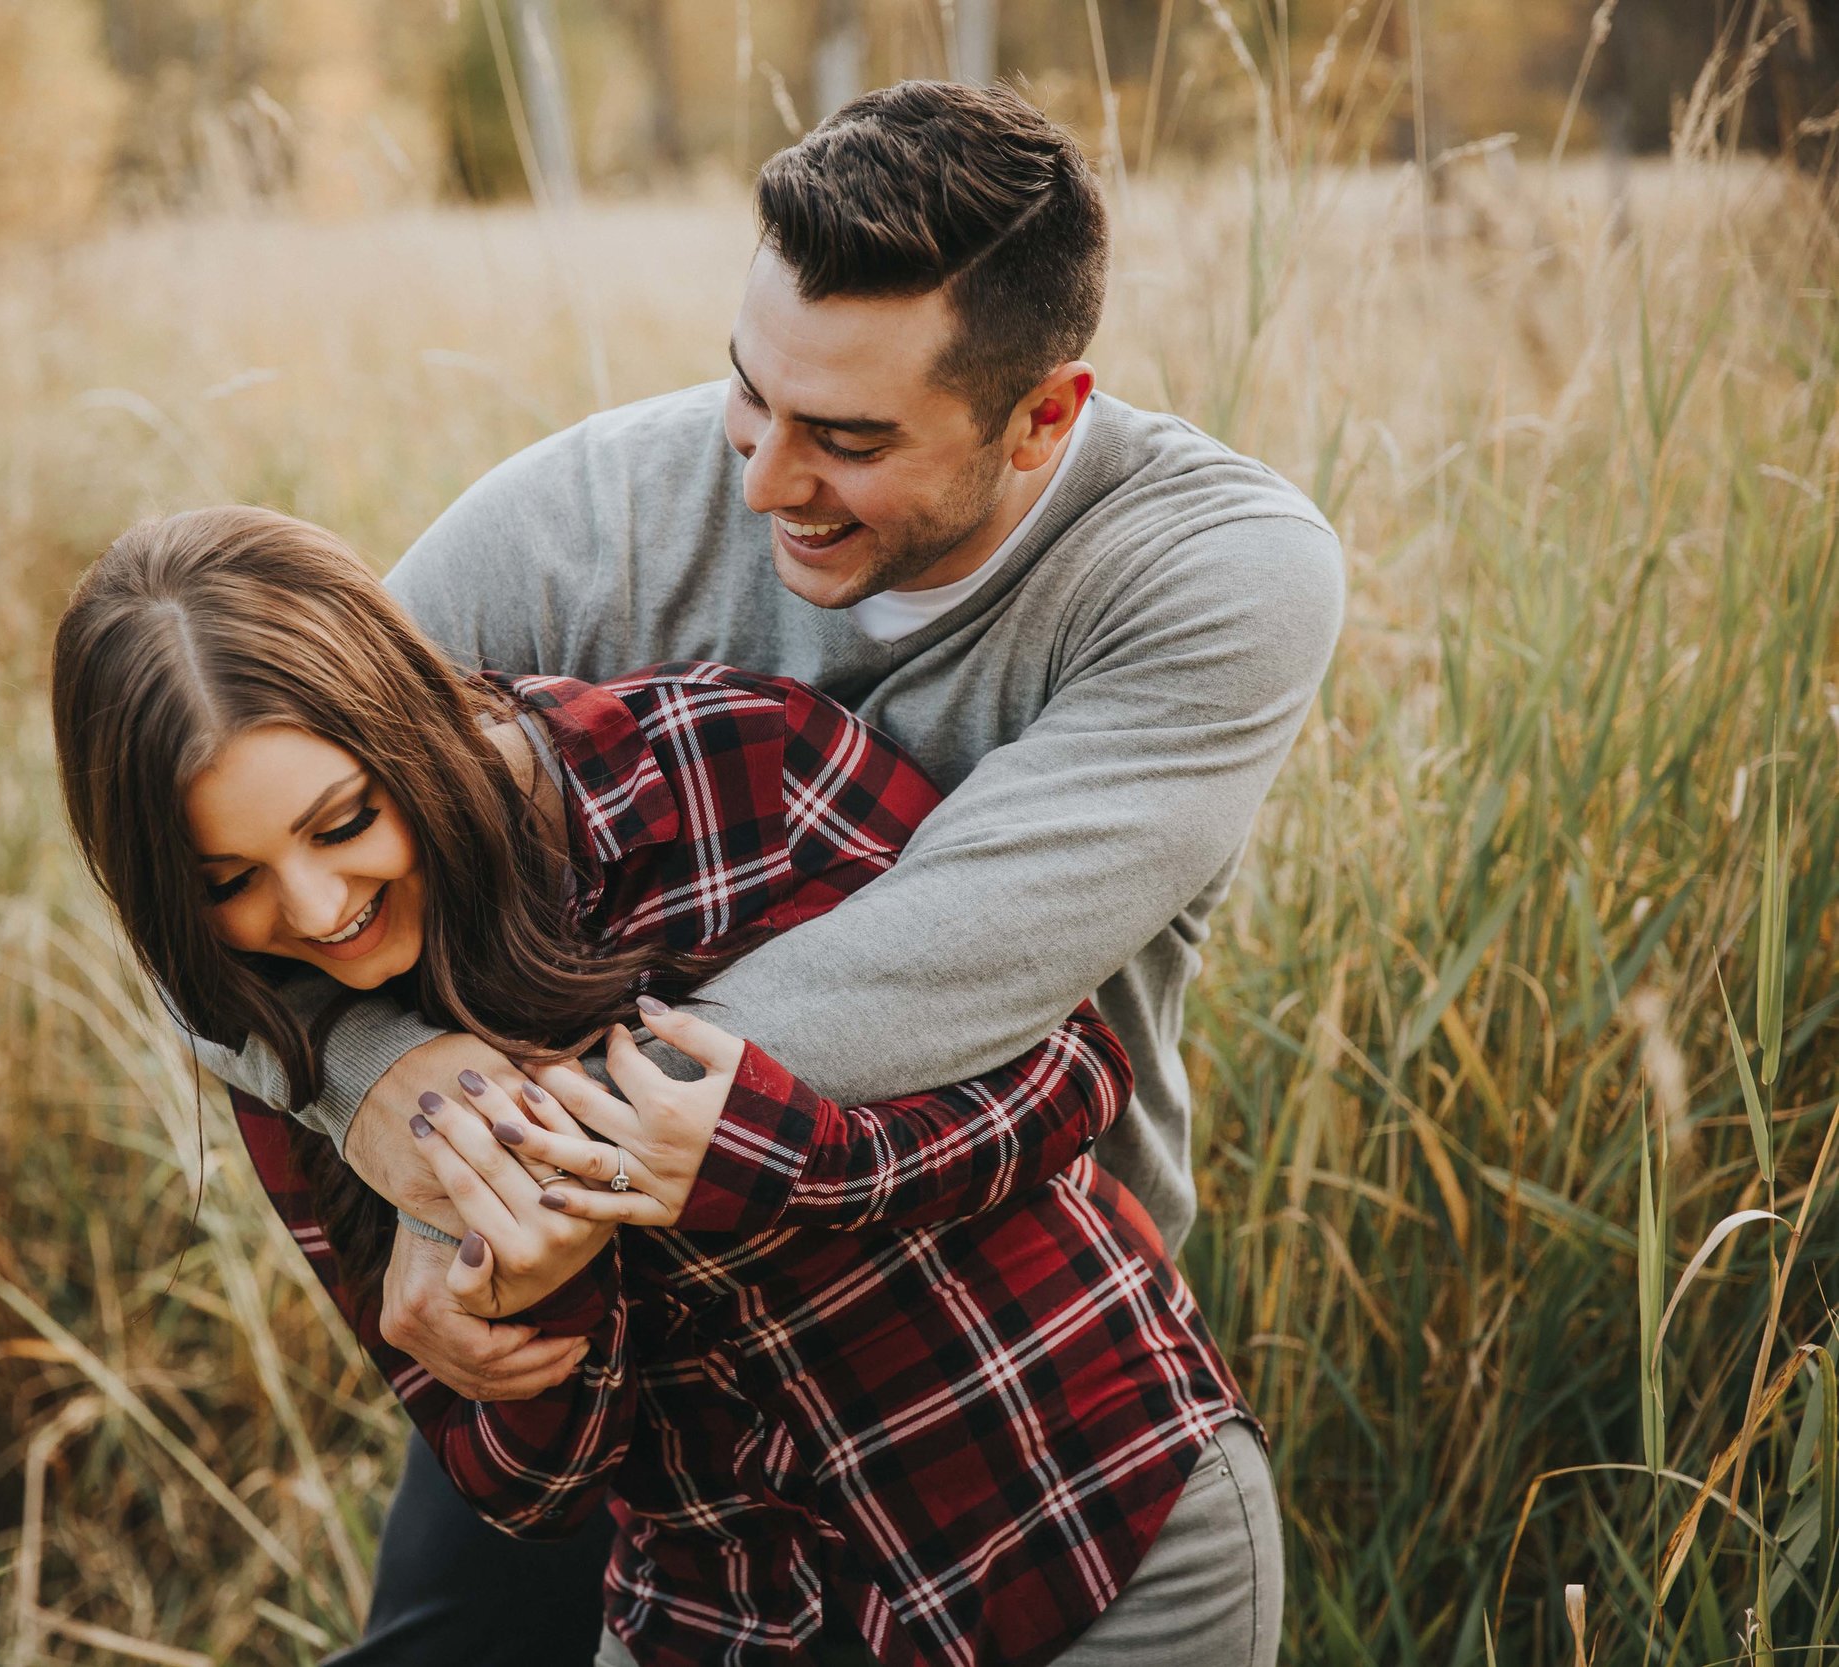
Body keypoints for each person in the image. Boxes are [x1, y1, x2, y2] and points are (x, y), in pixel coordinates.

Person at [182, 78, 1342, 1667]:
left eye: (850, 439)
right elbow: (218, 880)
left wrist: (505, 1173)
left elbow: (939, 963)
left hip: (990, 1347)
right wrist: (387, 1087)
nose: (761, 483)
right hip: (619, 1369)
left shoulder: (1211, 570)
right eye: (749, 394)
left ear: (1046, 415)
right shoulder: (583, 519)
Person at [49, 506, 1267, 1665]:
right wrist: (544, 1305)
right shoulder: (294, 1043)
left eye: (344, 820)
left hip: (1087, 1521)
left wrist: (769, 1149)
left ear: (402, 729)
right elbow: (527, 1489)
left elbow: (1073, 1068)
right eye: (228, 880)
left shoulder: (720, 765)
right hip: (726, 1619)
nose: (315, 910)